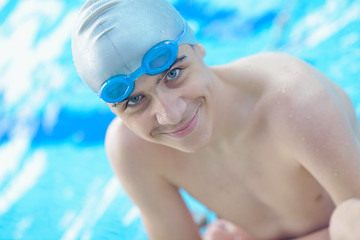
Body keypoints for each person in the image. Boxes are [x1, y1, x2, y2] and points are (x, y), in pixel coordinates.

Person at [71, 0, 360, 239]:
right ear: (114, 110)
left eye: (173, 74)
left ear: (198, 48)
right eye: (134, 101)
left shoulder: (294, 100)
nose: (170, 114)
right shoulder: (132, 149)